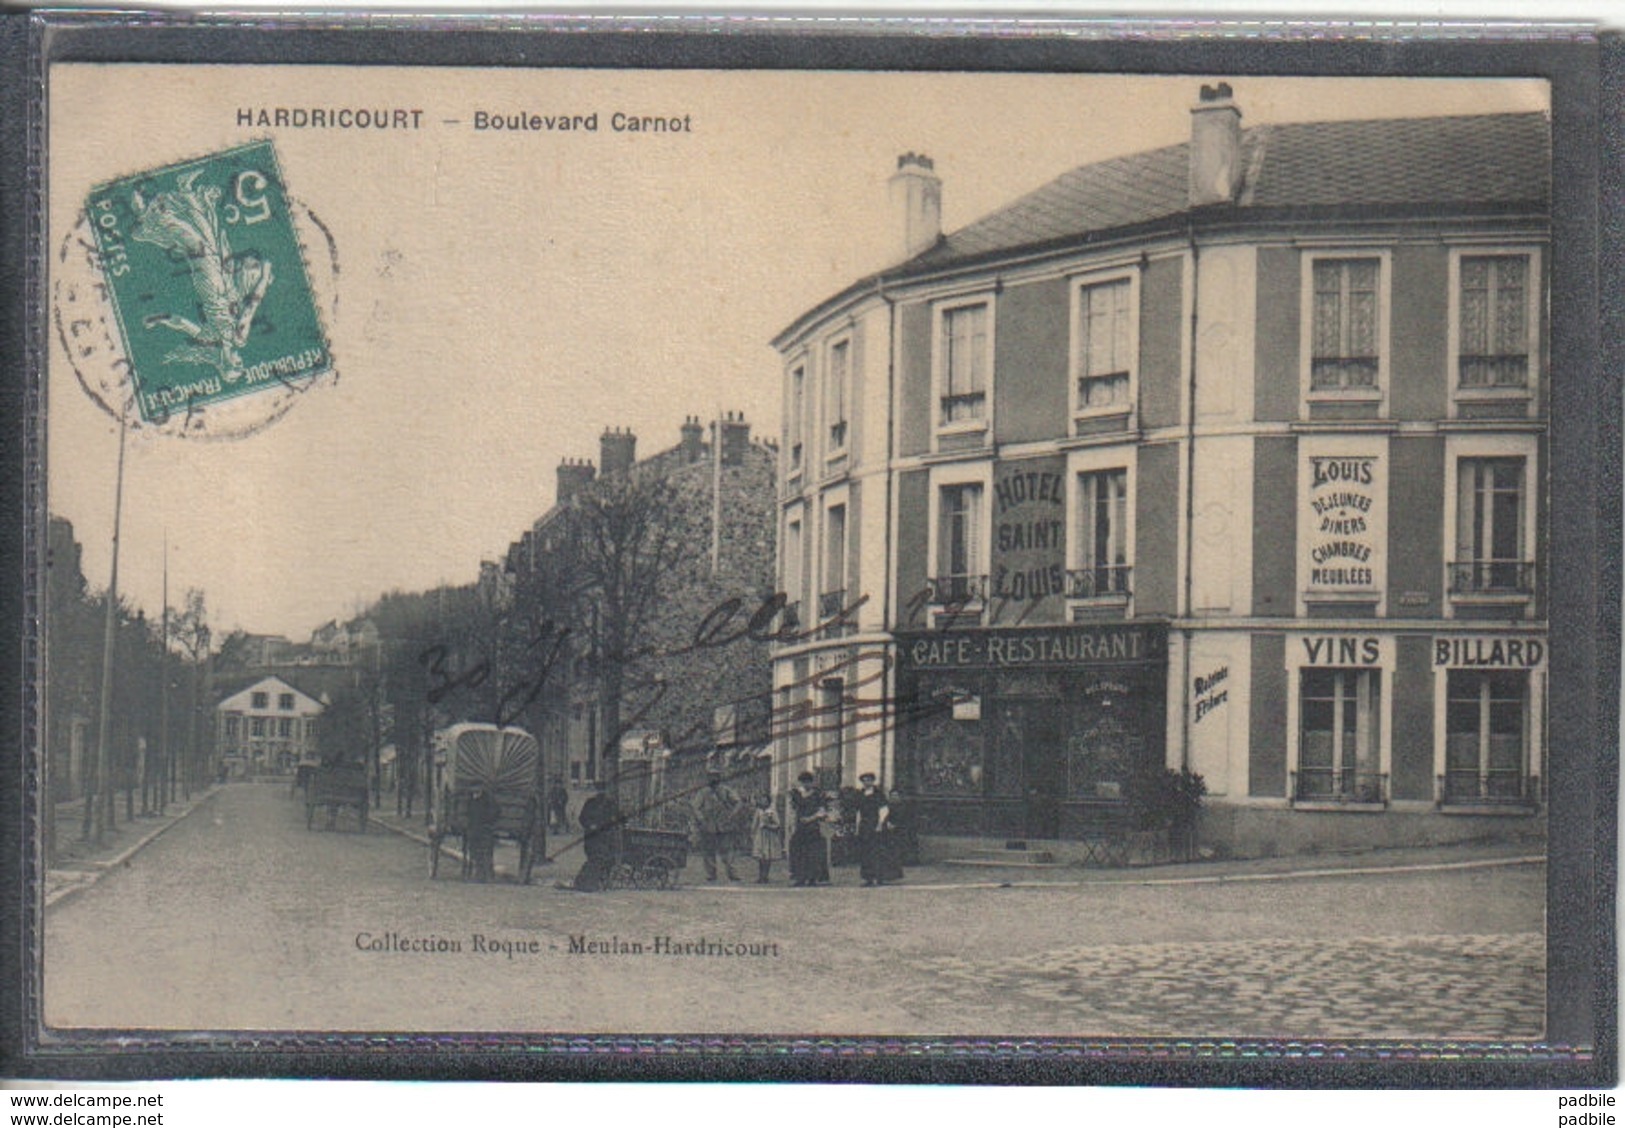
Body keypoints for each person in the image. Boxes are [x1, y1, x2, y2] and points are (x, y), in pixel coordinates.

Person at [692, 769, 742, 881]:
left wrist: (732, 815)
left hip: (724, 825)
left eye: (716, 776)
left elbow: (738, 802)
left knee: (727, 850)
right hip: (708, 825)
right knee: (709, 851)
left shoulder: (726, 791)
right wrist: (701, 819)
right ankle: (711, 874)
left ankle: (732, 874)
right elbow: (696, 807)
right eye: (711, 777)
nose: (713, 779)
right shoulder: (703, 792)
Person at [572, 781, 619, 892]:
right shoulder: (590, 803)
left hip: (605, 837)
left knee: (601, 859)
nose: (601, 793)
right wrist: (589, 825)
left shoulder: (610, 804)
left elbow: (617, 819)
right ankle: (587, 883)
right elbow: (582, 818)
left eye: (603, 790)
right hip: (592, 837)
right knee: (594, 859)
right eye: (599, 790)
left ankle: (593, 882)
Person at [788, 771, 830, 887]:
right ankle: (800, 877)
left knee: (813, 853)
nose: (806, 784)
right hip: (800, 826)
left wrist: (811, 818)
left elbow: (822, 811)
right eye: (804, 782)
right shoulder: (796, 794)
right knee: (798, 851)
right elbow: (792, 810)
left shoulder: (818, 795)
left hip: (813, 827)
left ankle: (812, 878)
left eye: (808, 782)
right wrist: (791, 825)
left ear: (812, 782)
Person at [853, 772, 893, 887]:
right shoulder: (860, 794)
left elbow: (884, 810)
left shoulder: (878, 794)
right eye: (864, 780)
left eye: (869, 780)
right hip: (864, 826)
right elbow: (858, 812)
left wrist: (880, 824)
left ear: (872, 781)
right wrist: (857, 827)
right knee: (866, 852)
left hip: (875, 825)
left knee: (877, 852)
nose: (867, 782)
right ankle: (868, 878)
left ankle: (879, 877)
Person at [465, 785, 500, 883]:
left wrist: (487, 822)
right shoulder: (470, 800)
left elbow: (495, 812)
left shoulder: (488, 800)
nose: (475, 793)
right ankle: (479, 873)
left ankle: (487, 874)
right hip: (475, 830)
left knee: (486, 852)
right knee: (476, 851)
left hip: (485, 829)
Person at [749, 792, 783, 884]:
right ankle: (760, 876)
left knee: (767, 856)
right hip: (760, 835)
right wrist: (753, 833)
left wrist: (768, 825)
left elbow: (777, 824)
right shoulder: (758, 811)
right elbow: (754, 823)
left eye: (765, 800)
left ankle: (765, 876)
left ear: (769, 801)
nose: (763, 802)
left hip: (769, 835)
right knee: (760, 857)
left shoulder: (772, 811)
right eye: (761, 800)